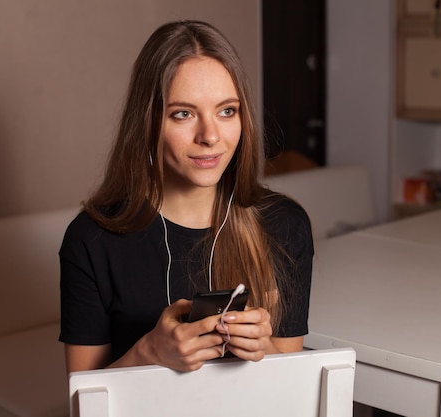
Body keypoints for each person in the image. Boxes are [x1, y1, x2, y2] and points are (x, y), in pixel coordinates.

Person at [59, 20, 313, 373]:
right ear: (147, 123)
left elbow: (292, 385)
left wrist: (263, 346)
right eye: (183, 114)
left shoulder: (284, 225)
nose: (210, 136)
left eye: (227, 111)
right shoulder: (91, 239)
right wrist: (149, 351)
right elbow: (83, 402)